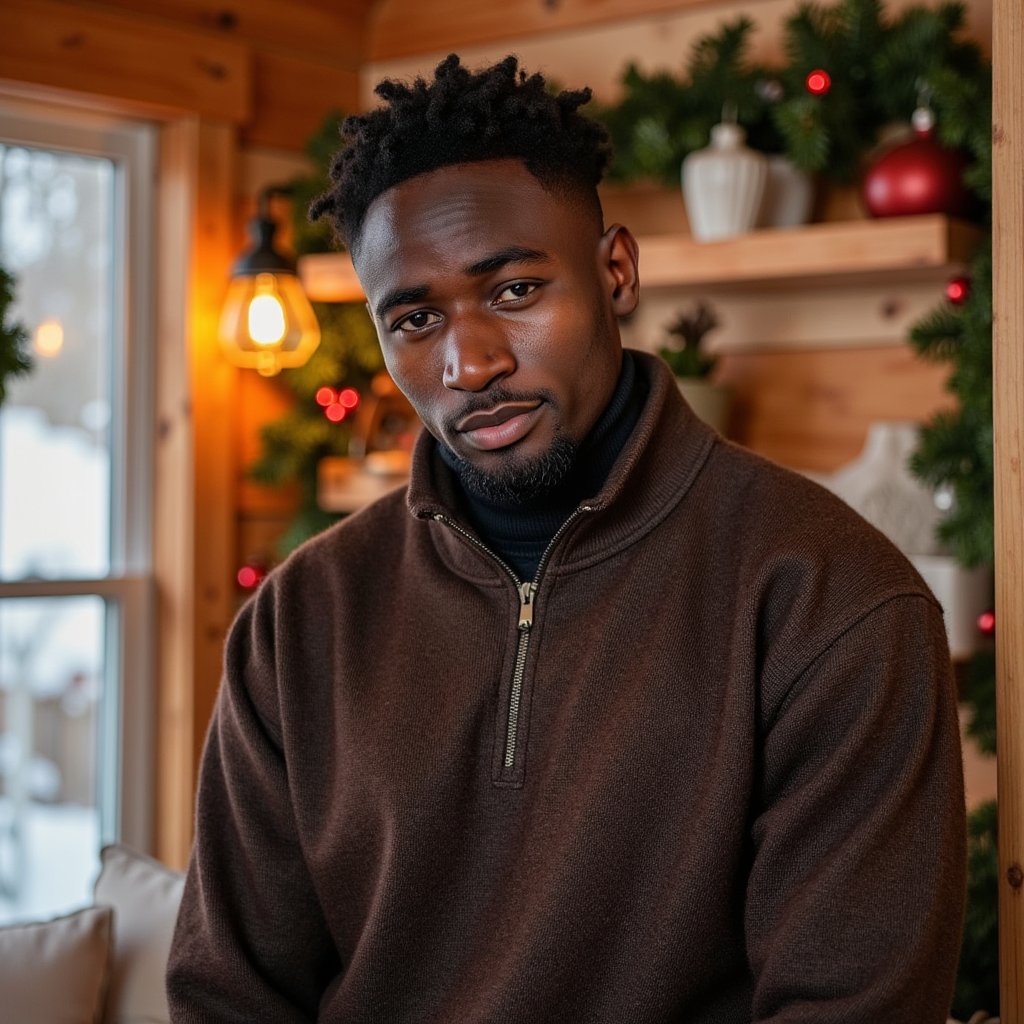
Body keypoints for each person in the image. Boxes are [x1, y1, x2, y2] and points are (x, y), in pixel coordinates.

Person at [167, 54, 966, 1023]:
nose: (470, 361)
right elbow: (229, 998)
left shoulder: (829, 601)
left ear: (615, 272)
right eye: (414, 318)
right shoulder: (297, 622)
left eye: (511, 292)